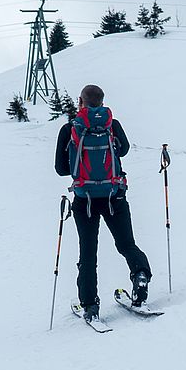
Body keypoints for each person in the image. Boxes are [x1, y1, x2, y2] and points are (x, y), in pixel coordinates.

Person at [54, 84, 152, 321]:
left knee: (88, 253)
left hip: (84, 200)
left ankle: (90, 305)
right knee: (127, 244)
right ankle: (139, 275)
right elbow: (125, 150)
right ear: (102, 101)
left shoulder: (70, 129)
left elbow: (60, 169)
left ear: (81, 102)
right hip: (114, 195)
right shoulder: (112, 125)